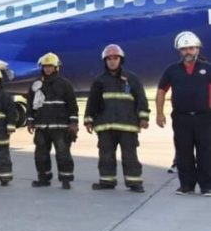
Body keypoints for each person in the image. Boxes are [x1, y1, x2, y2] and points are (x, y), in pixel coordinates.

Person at [85, 44, 148, 193]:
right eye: (109, 59)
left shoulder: (131, 79)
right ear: (105, 61)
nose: (112, 61)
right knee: (106, 155)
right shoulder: (99, 81)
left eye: (115, 58)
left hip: (127, 125)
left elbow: (141, 99)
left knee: (130, 155)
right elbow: (92, 101)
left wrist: (143, 117)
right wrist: (88, 119)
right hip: (105, 125)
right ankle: (107, 181)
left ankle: (134, 183)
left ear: (121, 60)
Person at [156, 31, 211, 196]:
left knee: (206, 152)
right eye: (184, 49)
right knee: (183, 152)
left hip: (205, 118)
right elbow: (161, 91)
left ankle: (207, 186)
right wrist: (160, 113)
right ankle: (186, 186)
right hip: (181, 118)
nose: (188, 52)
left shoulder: (208, 69)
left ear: (198, 50)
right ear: (179, 51)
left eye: (191, 48)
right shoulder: (172, 70)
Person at [26, 52, 79, 189]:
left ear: (56, 67)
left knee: (63, 154)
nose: (48, 69)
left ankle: (66, 179)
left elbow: (72, 105)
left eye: (50, 66)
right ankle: (43, 178)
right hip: (42, 127)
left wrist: (73, 123)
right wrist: (30, 120)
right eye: (45, 66)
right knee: (41, 155)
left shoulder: (64, 84)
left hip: (60, 127)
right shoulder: (36, 85)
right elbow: (31, 103)